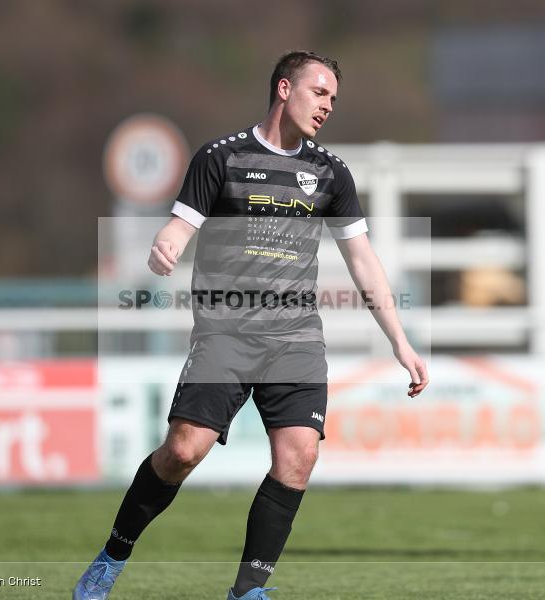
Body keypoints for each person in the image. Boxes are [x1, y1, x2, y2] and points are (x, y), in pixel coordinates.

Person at [73, 51, 429, 599]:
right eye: (320, 92)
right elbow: (178, 226)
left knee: (299, 455)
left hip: (295, 338)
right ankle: (112, 556)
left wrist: (400, 342)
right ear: (285, 89)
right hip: (225, 334)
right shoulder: (221, 158)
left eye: (334, 98)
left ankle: (247, 592)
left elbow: (362, 260)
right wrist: (165, 246)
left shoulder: (331, 173)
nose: (328, 106)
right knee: (184, 451)